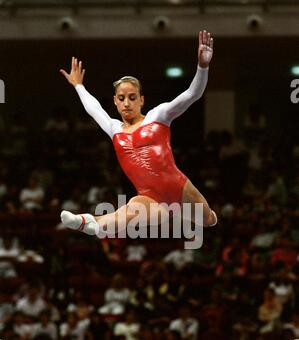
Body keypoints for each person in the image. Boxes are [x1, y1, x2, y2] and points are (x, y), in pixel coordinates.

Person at [60, 31, 217, 238]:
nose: (126, 103)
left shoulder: (158, 116)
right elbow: (94, 109)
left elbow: (191, 95)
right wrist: (79, 86)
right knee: (128, 213)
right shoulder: (114, 129)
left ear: (141, 100)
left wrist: (202, 67)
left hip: (178, 187)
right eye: (121, 98)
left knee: (209, 220)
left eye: (132, 97)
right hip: (150, 198)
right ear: (115, 102)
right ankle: (89, 223)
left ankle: (96, 224)